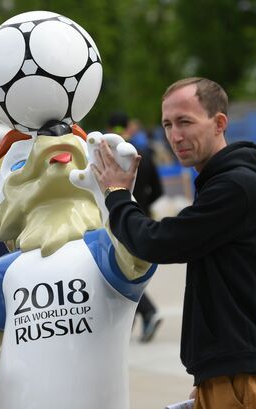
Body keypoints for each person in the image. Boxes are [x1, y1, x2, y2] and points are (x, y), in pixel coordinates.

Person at [92, 77, 256, 408]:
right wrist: (211, 376)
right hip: (232, 372)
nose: (174, 135)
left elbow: (158, 242)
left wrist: (117, 195)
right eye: (167, 124)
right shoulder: (223, 182)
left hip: (247, 378)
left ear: (219, 123)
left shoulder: (235, 187)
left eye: (185, 122)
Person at [108, 112, 164, 343]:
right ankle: (133, 317)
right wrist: (143, 208)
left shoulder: (109, 155)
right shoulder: (145, 153)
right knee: (132, 269)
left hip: (119, 218)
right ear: (129, 126)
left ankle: (147, 311)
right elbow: (159, 190)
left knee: (120, 270)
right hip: (143, 219)